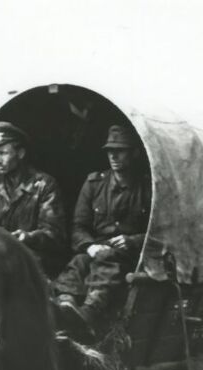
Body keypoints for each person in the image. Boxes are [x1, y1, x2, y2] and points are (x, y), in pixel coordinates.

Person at [53, 124, 151, 343]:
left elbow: (160, 230)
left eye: (120, 150)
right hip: (96, 251)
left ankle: (88, 314)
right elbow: (78, 227)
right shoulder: (94, 184)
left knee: (107, 259)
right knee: (79, 262)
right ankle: (65, 306)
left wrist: (133, 241)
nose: (113, 156)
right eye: (110, 151)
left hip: (129, 257)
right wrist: (89, 246)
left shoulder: (146, 187)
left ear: (134, 153)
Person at [0, 122, 67, 277]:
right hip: (1, 255)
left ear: (20, 153)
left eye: (3, 153)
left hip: (35, 261)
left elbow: (55, 234)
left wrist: (29, 237)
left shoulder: (44, 184)